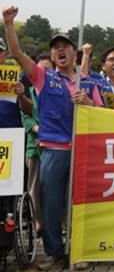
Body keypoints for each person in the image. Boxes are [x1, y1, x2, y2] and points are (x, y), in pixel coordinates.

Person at [3, 6, 103, 270]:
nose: (60, 51)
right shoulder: (43, 77)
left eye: (66, 47)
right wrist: (9, 24)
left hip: (83, 149)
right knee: (52, 203)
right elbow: (16, 53)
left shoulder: (88, 83)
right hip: (54, 150)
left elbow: (103, 114)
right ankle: (56, 250)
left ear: (74, 52)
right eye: (56, 47)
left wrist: (89, 105)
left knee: (80, 201)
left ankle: (79, 247)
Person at [16, 54, 54, 234]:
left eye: (48, 69)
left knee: (56, 188)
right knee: (35, 188)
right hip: (35, 147)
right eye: (41, 69)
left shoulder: (59, 93)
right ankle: (38, 221)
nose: (44, 72)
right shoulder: (29, 93)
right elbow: (27, 119)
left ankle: (61, 221)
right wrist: (43, 133)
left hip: (56, 147)